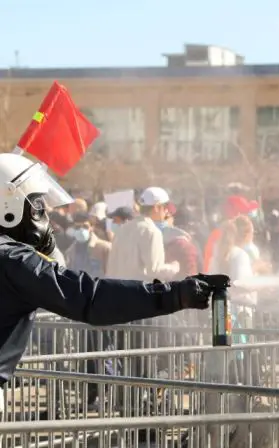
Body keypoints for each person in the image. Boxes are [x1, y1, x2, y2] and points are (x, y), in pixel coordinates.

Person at [0, 153, 218, 387]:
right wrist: (174, 295)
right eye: (37, 209)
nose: (46, 219)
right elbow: (90, 297)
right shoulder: (11, 259)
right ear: (7, 208)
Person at [106, 187, 179, 281]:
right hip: (138, 292)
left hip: (116, 290)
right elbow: (154, 270)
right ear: (157, 207)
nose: (167, 212)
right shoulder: (151, 231)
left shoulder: (122, 229)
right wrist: (174, 267)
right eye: (166, 208)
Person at [65, 212, 111, 277]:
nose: (81, 230)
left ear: (92, 227)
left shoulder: (105, 248)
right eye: (78, 227)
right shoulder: (71, 251)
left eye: (85, 226)